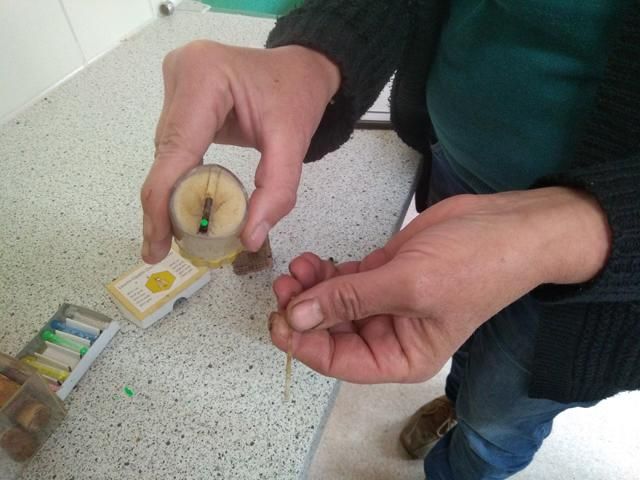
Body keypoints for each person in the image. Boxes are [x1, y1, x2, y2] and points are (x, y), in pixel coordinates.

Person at [140, 1, 640, 478]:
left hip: (604, 277)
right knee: (463, 343)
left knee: (498, 416)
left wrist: (575, 228)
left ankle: (467, 458)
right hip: (458, 167)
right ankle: (456, 398)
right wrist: (318, 52)